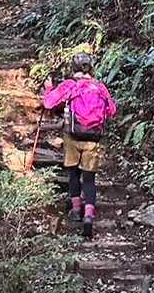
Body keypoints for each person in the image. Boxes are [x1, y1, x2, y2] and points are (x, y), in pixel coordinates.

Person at [42, 53, 117, 240]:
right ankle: (89, 215)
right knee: (89, 179)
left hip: (72, 136)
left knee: (74, 173)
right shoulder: (99, 87)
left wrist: (49, 88)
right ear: (90, 68)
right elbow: (112, 110)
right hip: (93, 138)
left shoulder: (70, 85)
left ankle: (76, 210)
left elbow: (48, 103)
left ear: (73, 68)